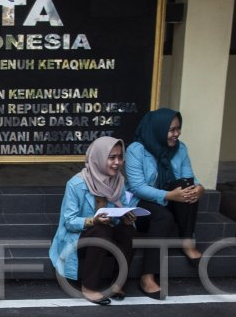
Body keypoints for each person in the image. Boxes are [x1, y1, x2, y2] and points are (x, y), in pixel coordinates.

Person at [124, 108, 203, 299]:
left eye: (178, 129)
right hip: (140, 202)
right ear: (157, 129)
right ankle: (147, 277)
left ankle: (186, 240)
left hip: (170, 198)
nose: (176, 134)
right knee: (163, 217)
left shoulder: (180, 148)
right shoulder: (136, 150)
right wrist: (169, 195)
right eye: (172, 130)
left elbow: (188, 177)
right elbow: (137, 187)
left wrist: (200, 188)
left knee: (187, 186)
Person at [48, 136, 137, 304]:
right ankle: (89, 287)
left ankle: (117, 283)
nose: (117, 162)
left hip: (106, 236)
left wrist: (125, 218)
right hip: (78, 240)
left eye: (120, 157)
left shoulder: (118, 181)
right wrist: (93, 221)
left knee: (128, 231)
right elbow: (69, 222)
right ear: (98, 158)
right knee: (101, 230)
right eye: (111, 157)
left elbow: (119, 211)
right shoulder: (76, 184)